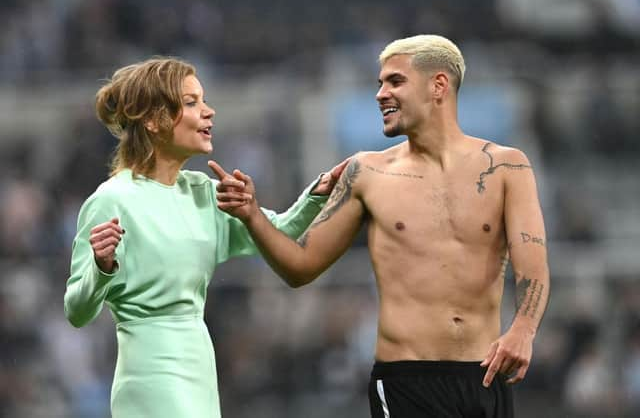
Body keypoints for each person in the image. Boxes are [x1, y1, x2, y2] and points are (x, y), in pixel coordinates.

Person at [211, 34, 550, 418]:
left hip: (485, 376)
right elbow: (299, 266)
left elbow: (532, 265)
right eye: (380, 84)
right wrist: (252, 215)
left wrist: (524, 328)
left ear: (438, 85)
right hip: (405, 380)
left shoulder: (508, 167)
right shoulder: (365, 172)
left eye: (395, 81)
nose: (381, 94)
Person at [63, 57, 347, 418]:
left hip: (199, 363)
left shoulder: (203, 192)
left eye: (204, 100)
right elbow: (77, 311)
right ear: (152, 119)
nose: (209, 112)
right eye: (192, 102)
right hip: (150, 372)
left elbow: (279, 233)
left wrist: (317, 193)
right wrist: (101, 268)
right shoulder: (111, 200)